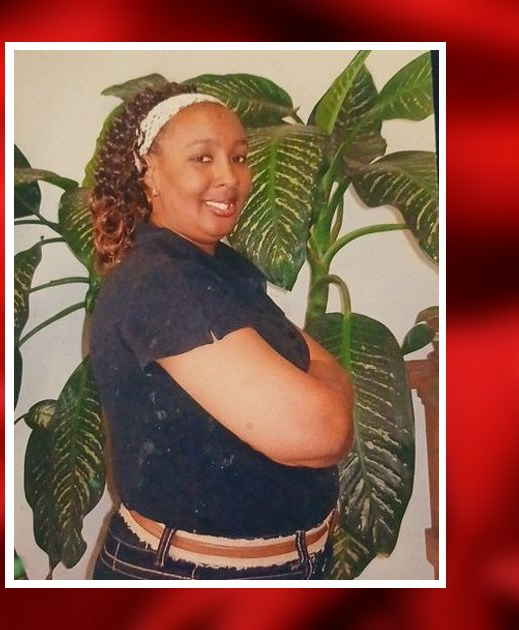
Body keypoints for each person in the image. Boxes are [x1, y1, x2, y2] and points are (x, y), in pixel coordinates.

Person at [87, 83, 354, 580]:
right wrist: (330, 384)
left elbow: (318, 373)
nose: (230, 178)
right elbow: (322, 430)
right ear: (149, 173)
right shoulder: (164, 283)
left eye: (239, 157)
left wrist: (323, 379)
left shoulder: (217, 269)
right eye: (202, 158)